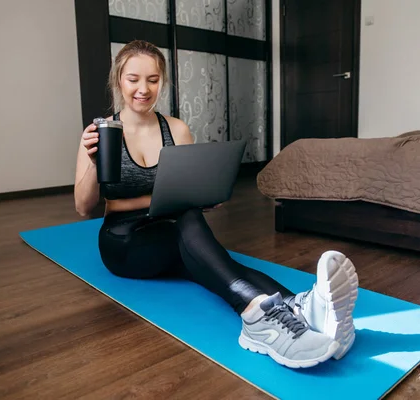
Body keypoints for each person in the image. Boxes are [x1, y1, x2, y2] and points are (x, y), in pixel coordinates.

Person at [74, 40, 358, 369]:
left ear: (162, 82)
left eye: (152, 80)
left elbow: (186, 191)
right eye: (133, 79)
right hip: (124, 242)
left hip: (172, 231)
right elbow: (84, 208)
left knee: (210, 257)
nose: (143, 89)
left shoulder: (175, 129)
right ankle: (256, 314)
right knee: (191, 229)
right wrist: (94, 161)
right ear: (118, 79)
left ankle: (300, 306)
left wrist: (203, 194)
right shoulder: (99, 132)